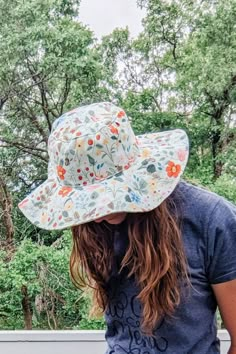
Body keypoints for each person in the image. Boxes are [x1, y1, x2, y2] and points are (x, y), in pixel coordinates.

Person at [19, 102, 236, 354]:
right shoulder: (94, 224)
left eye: (105, 199)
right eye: (88, 203)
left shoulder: (212, 219)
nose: (96, 216)